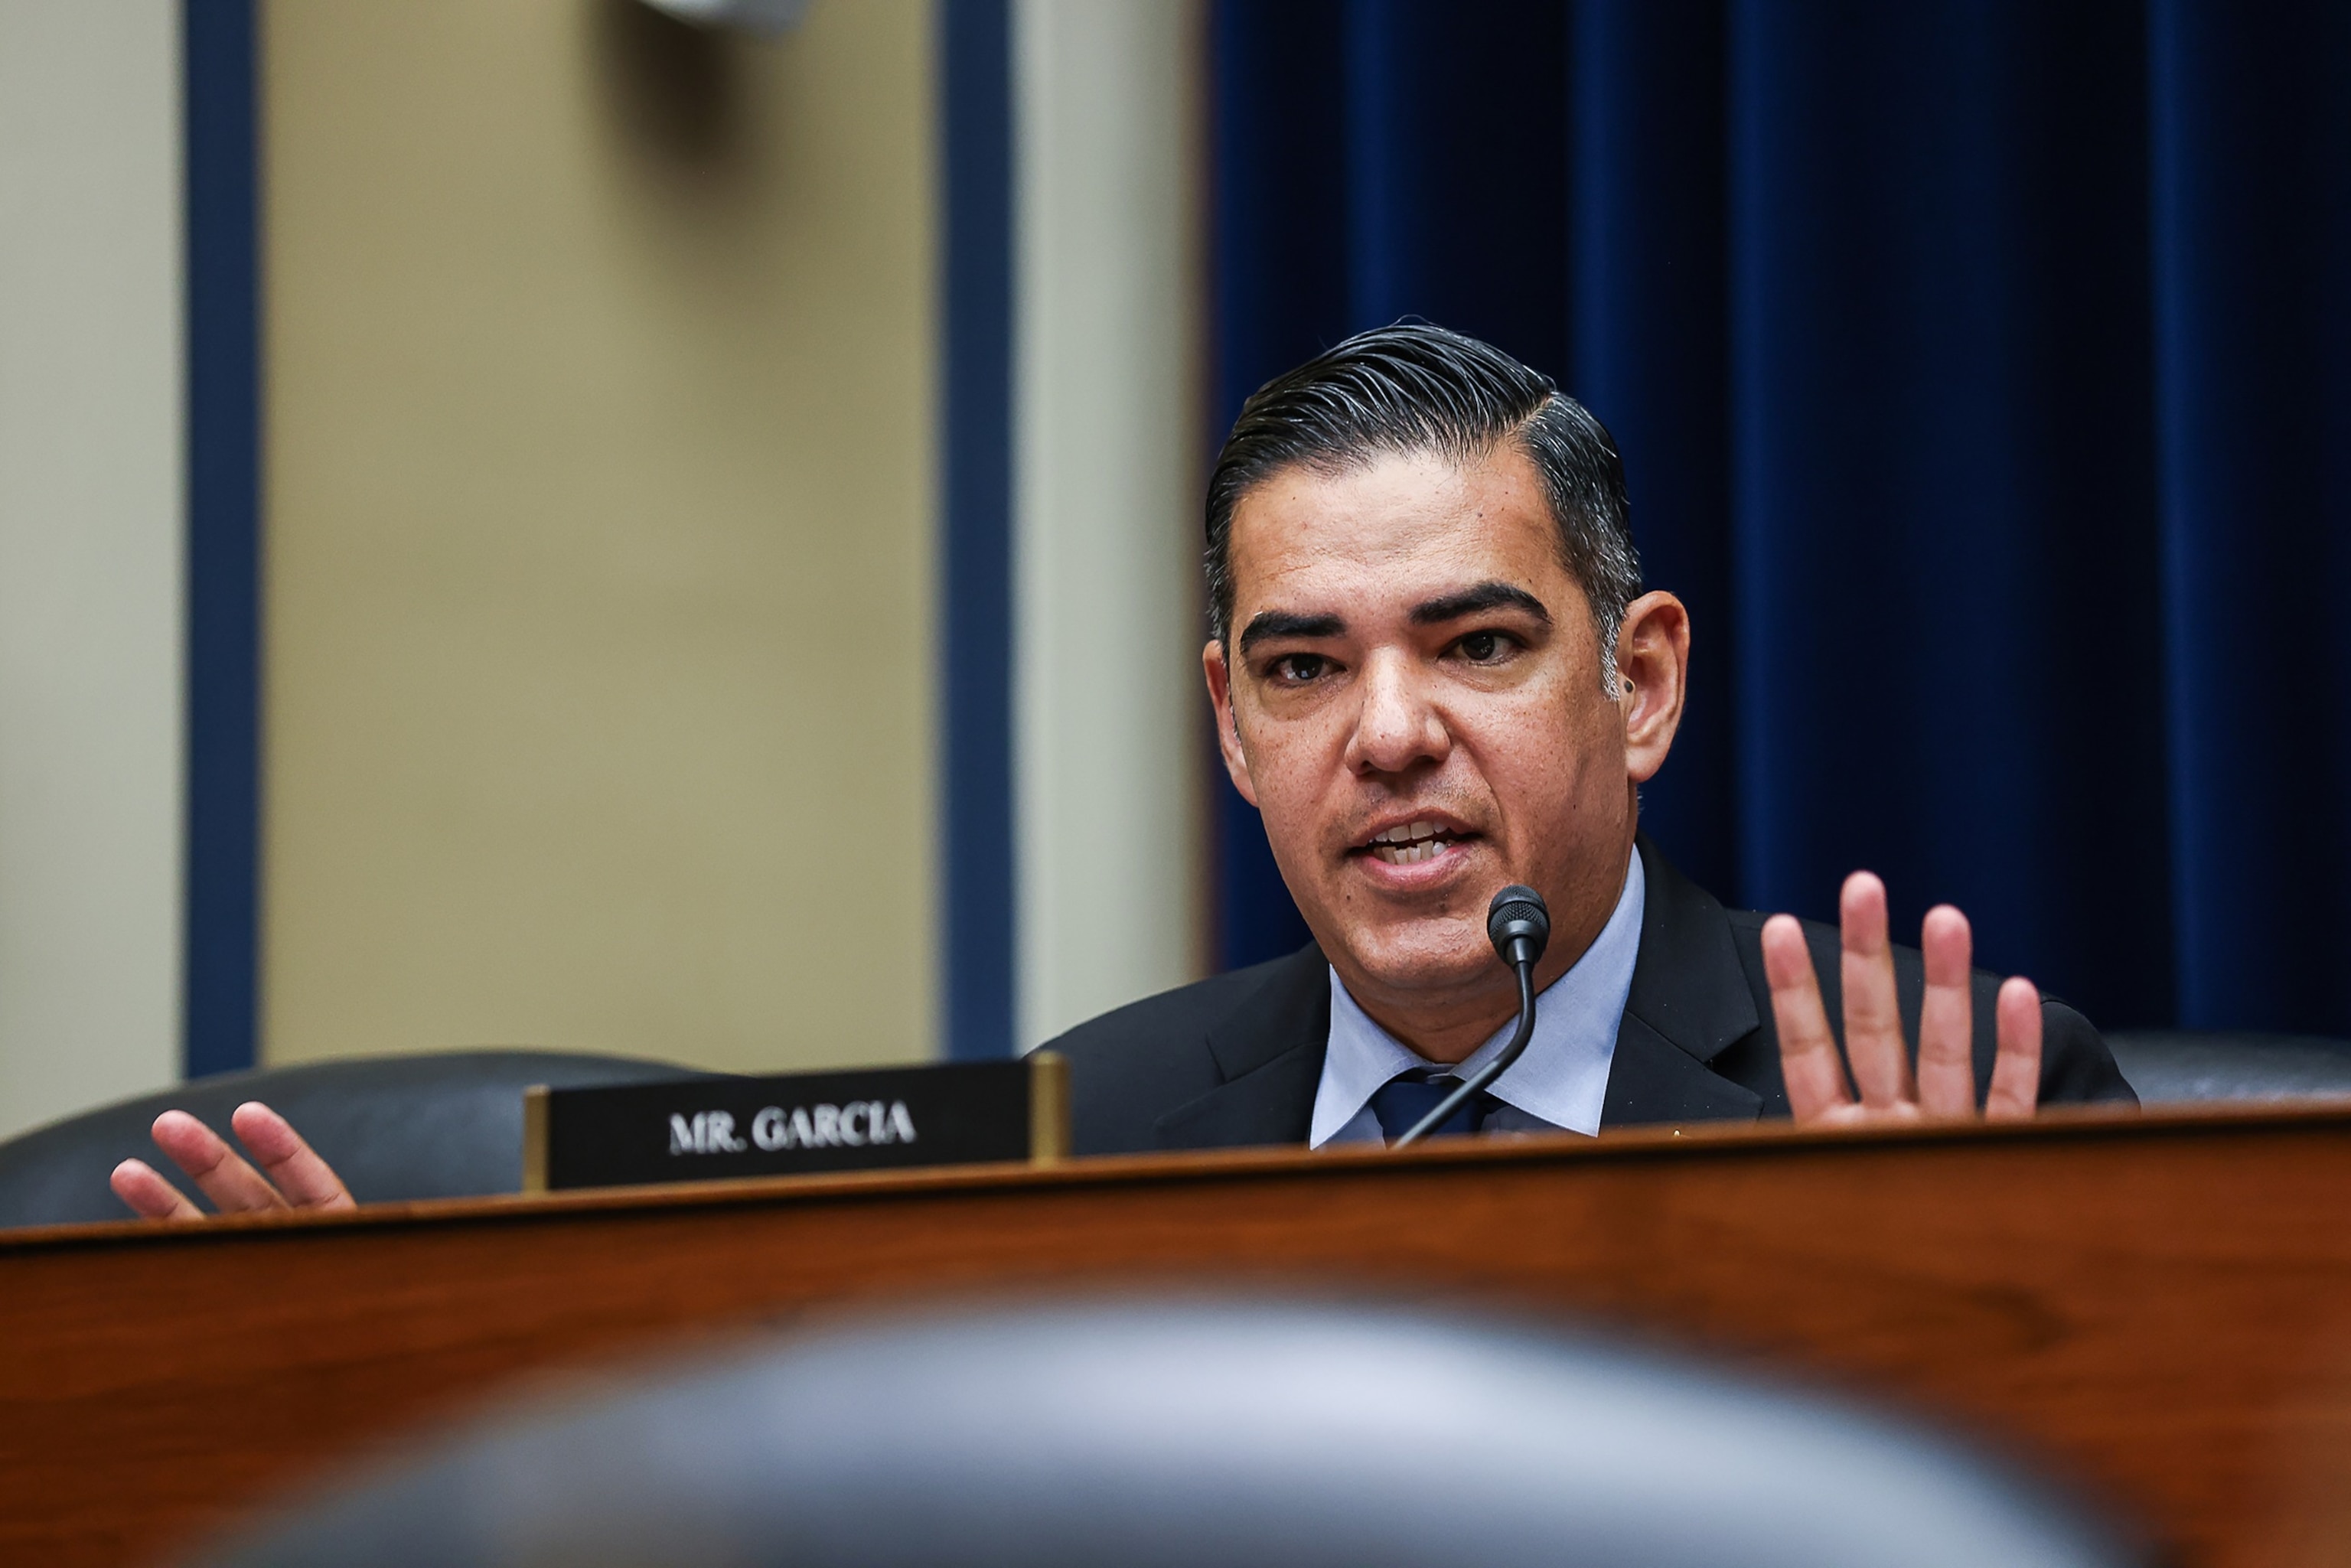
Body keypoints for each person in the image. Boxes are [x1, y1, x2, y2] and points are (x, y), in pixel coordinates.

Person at [109, 323, 2132, 1219]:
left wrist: (1911, 1283)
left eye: (1480, 641)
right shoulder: (1095, 1116)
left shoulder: (1959, 1111)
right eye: (1304, 665)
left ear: (1647, 678)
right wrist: (365, 1366)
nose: (1392, 728)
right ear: (1234, 730)